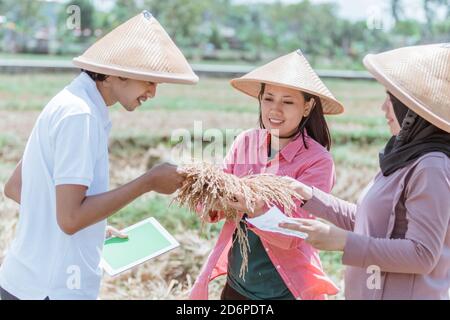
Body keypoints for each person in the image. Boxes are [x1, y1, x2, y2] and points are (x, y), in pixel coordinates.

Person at [0, 11, 198, 300]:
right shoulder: (81, 116)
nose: (153, 92)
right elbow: (70, 218)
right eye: (149, 81)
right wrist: (148, 182)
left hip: (23, 281)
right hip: (53, 290)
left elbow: (17, 187)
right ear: (116, 73)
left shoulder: (71, 102)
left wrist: (87, 229)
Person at [280, 43, 450, 299]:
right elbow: (373, 222)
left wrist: (343, 242)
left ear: (412, 112)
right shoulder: (403, 157)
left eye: (391, 99)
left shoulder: (431, 166)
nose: (383, 107)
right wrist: (309, 197)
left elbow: (423, 255)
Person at [190, 50, 344, 300]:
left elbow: (295, 233)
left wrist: (255, 206)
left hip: (284, 290)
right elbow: (210, 206)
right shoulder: (246, 142)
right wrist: (208, 194)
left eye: (288, 101)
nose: (275, 110)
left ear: (307, 107)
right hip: (239, 283)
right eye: (268, 99)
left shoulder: (317, 161)